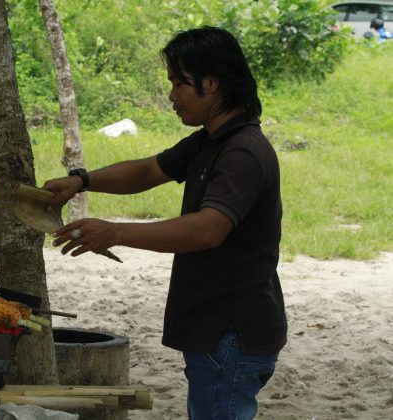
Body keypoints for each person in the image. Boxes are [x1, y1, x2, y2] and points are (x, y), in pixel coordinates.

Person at [43, 26, 287, 419]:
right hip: (216, 330)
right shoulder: (211, 140)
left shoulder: (243, 152)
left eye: (178, 83)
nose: (171, 95)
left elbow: (208, 228)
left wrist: (116, 232)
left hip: (232, 332)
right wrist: (81, 180)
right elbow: (146, 172)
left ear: (211, 83)